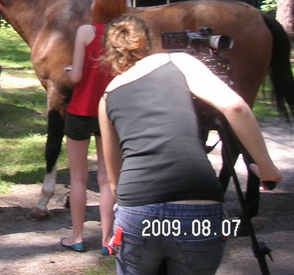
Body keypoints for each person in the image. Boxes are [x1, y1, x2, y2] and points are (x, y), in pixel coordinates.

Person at [98, 15, 283, 275]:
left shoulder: (107, 97)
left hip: (137, 212)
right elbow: (235, 106)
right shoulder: (179, 61)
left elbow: (114, 181)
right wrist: (266, 167)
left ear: (110, 52)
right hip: (199, 209)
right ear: (148, 42)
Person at [60, 0, 127, 254]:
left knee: (78, 178)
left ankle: (77, 236)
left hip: (80, 111)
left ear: (99, 5)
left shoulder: (85, 31)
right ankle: (106, 240)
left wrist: (68, 70)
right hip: (110, 114)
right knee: (107, 178)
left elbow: (76, 76)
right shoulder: (124, 36)